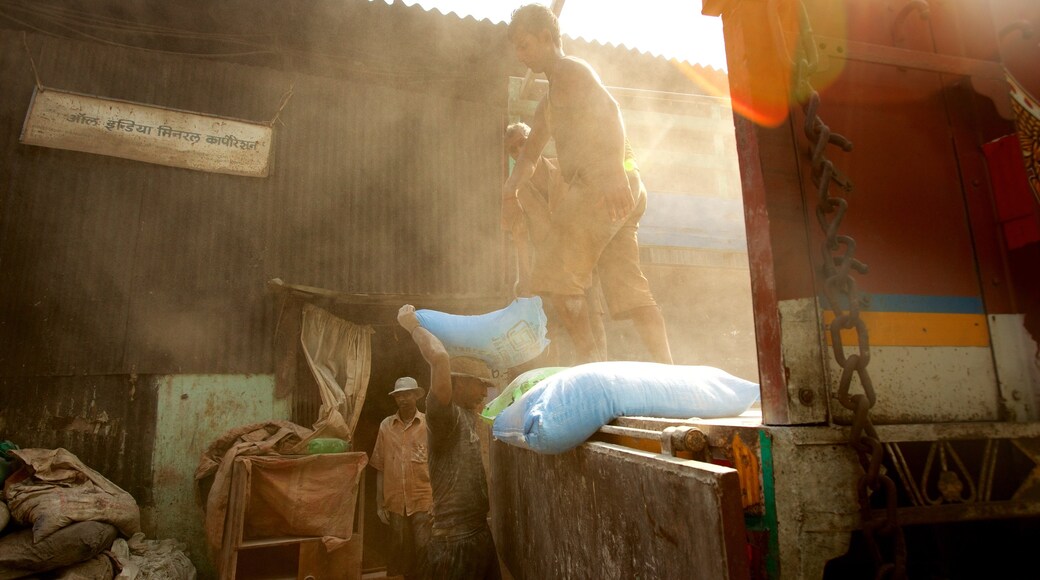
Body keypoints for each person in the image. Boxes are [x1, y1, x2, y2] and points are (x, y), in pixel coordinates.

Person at [503, 3, 673, 365]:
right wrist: (510, 189)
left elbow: (610, 110)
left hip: (606, 183)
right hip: (618, 189)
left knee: (554, 272)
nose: (521, 55)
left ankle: (592, 363)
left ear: (547, 38)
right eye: (516, 48)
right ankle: (668, 367)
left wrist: (612, 170)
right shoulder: (548, 103)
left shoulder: (570, 70)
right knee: (629, 289)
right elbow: (530, 156)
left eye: (524, 45)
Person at [397, 304, 502, 580]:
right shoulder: (445, 417)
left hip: (479, 534)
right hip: (454, 542)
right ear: (457, 384)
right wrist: (413, 327)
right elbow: (440, 358)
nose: (484, 391)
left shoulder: (470, 416)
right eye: (478, 384)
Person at [504, 121, 609, 366]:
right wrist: (525, 279)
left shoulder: (565, 169)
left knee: (594, 322)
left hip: (582, 261)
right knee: (553, 333)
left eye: (523, 143)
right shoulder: (515, 193)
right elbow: (520, 238)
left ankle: (601, 374)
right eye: (513, 150)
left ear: (535, 142)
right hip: (548, 271)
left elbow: (592, 210)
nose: (520, 152)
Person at [370, 376, 434, 580]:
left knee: (424, 547)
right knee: (399, 548)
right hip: (395, 500)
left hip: (424, 499)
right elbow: (380, 466)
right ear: (395, 399)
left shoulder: (428, 424)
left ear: (416, 396)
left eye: (408, 394)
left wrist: (438, 501)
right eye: (399, 395)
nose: (403, 399)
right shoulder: (386, 426)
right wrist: (380, 503)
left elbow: (438, 466)